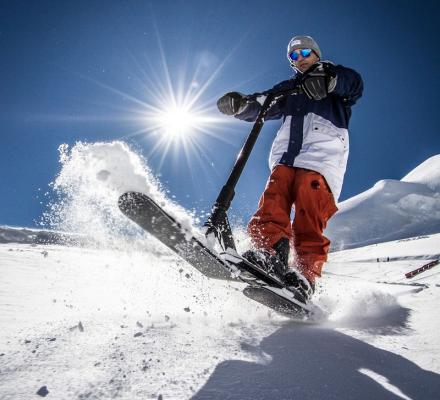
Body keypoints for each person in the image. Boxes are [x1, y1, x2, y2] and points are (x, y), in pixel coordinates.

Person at [217, 35, 363, 302]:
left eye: (305, 52)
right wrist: (241, 105)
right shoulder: (289, 89)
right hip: (286, 159)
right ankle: (268, 254)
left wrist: (330, 80)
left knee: (309, 214)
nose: (300, 58)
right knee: (273, 202)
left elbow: (353, 85)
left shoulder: (336, 82)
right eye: (294, 56)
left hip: (322, 160)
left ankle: (305, 277)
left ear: (317, 54)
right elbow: (264, 103)